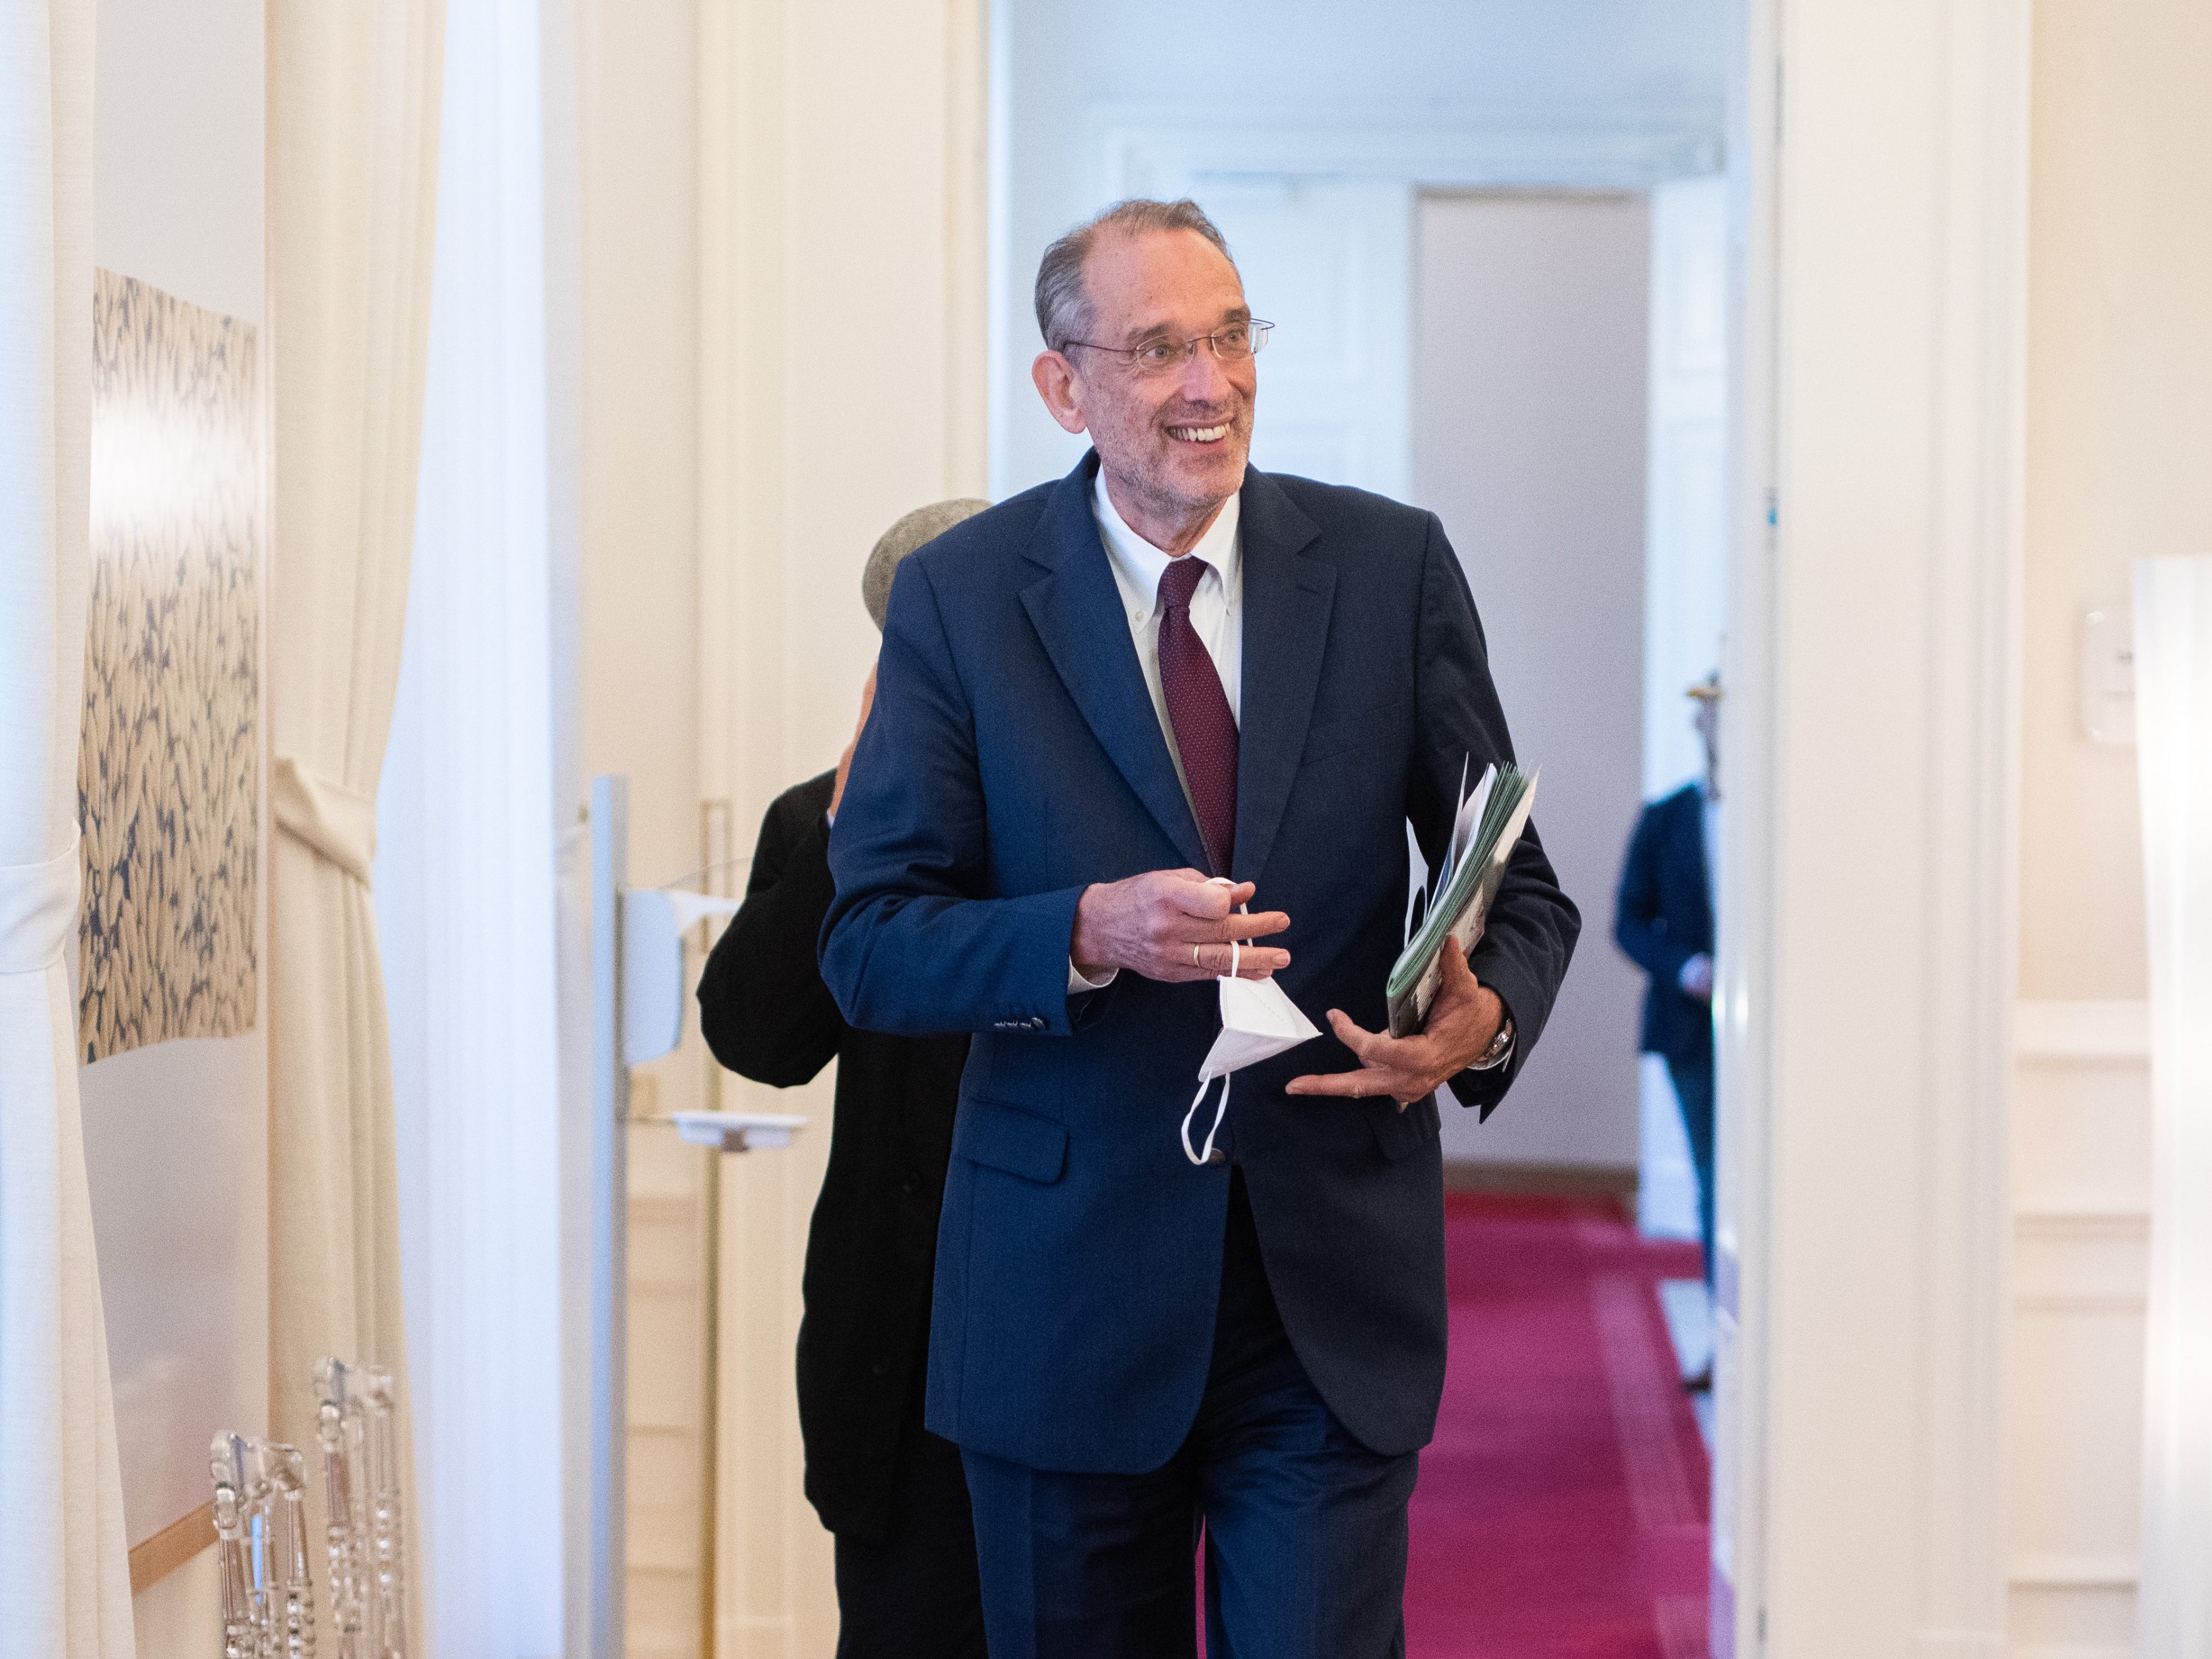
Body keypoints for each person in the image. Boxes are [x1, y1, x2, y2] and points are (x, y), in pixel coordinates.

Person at [819, 198, 1579, 1658]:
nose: (1207, 383)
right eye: (1160, 347)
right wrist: (1082, 931)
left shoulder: (1388, 568)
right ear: (1062, 384)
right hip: (1060, 1300)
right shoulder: (960, 603)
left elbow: (1517, 885)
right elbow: (870, 940)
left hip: (1325, 1299)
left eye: (1229, 336)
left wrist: (1478, 1021)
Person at [695, 499, 992, 1659]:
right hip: (896, 1357)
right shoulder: (819, 825)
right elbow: (758, 1039)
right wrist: (846, 819)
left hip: (1072, 1342)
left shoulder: (1114, 822)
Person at [1613, 676, 1721, 1327]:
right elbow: (1627, 921)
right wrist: (1685, 968)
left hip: (1777, 1031)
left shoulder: (1777, 823)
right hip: (1689, 1025)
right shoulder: (1666, 818)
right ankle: (1721, 1327)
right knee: (1714, 1172)